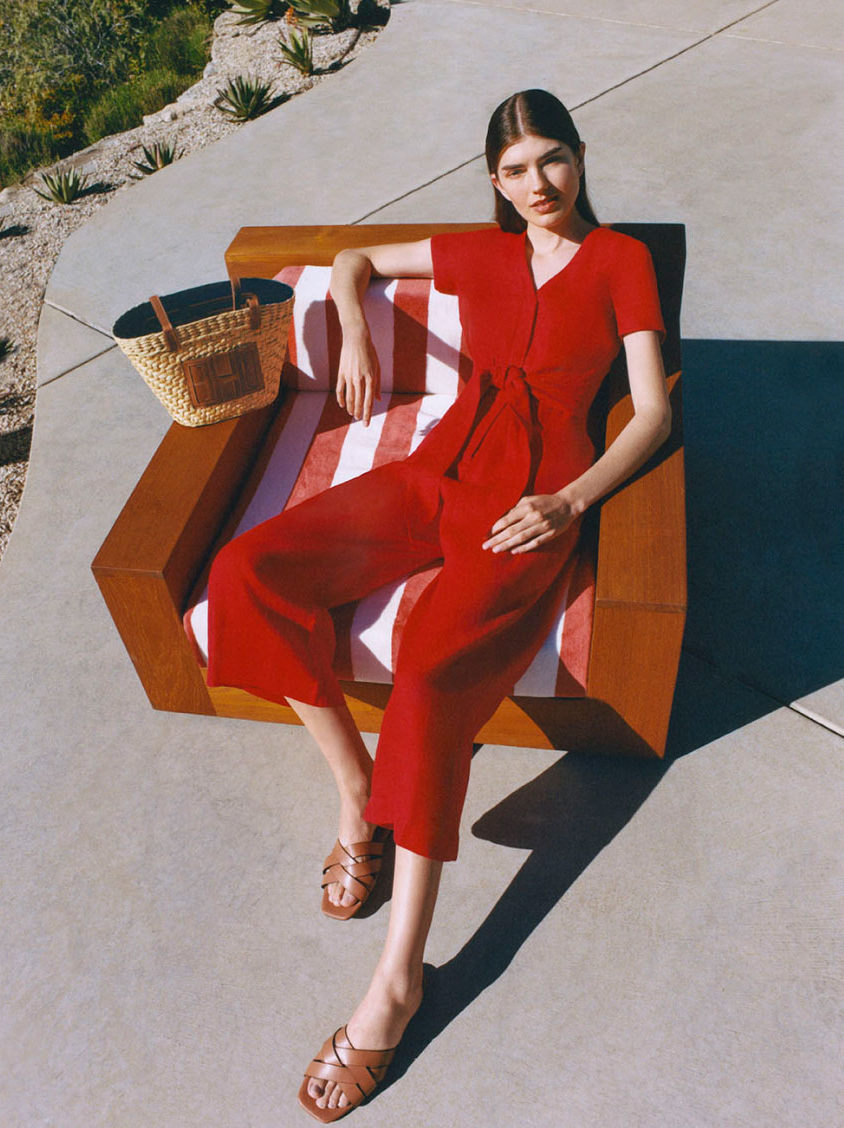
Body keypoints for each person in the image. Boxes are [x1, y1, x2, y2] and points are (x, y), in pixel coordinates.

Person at [206, 88, 671, 1121]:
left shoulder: (618, 262)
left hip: (525, 507)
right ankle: (352, 799)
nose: (536, 185)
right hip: (431, 475)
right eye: (513, 170)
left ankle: (396, 982)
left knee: (425, 677)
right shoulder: (477, 251)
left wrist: (569, 502)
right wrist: (356, 336)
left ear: (580, 158)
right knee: (247, 572)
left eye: (551, 160)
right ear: (493, 181)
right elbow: (353, 261)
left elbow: (650, 410)